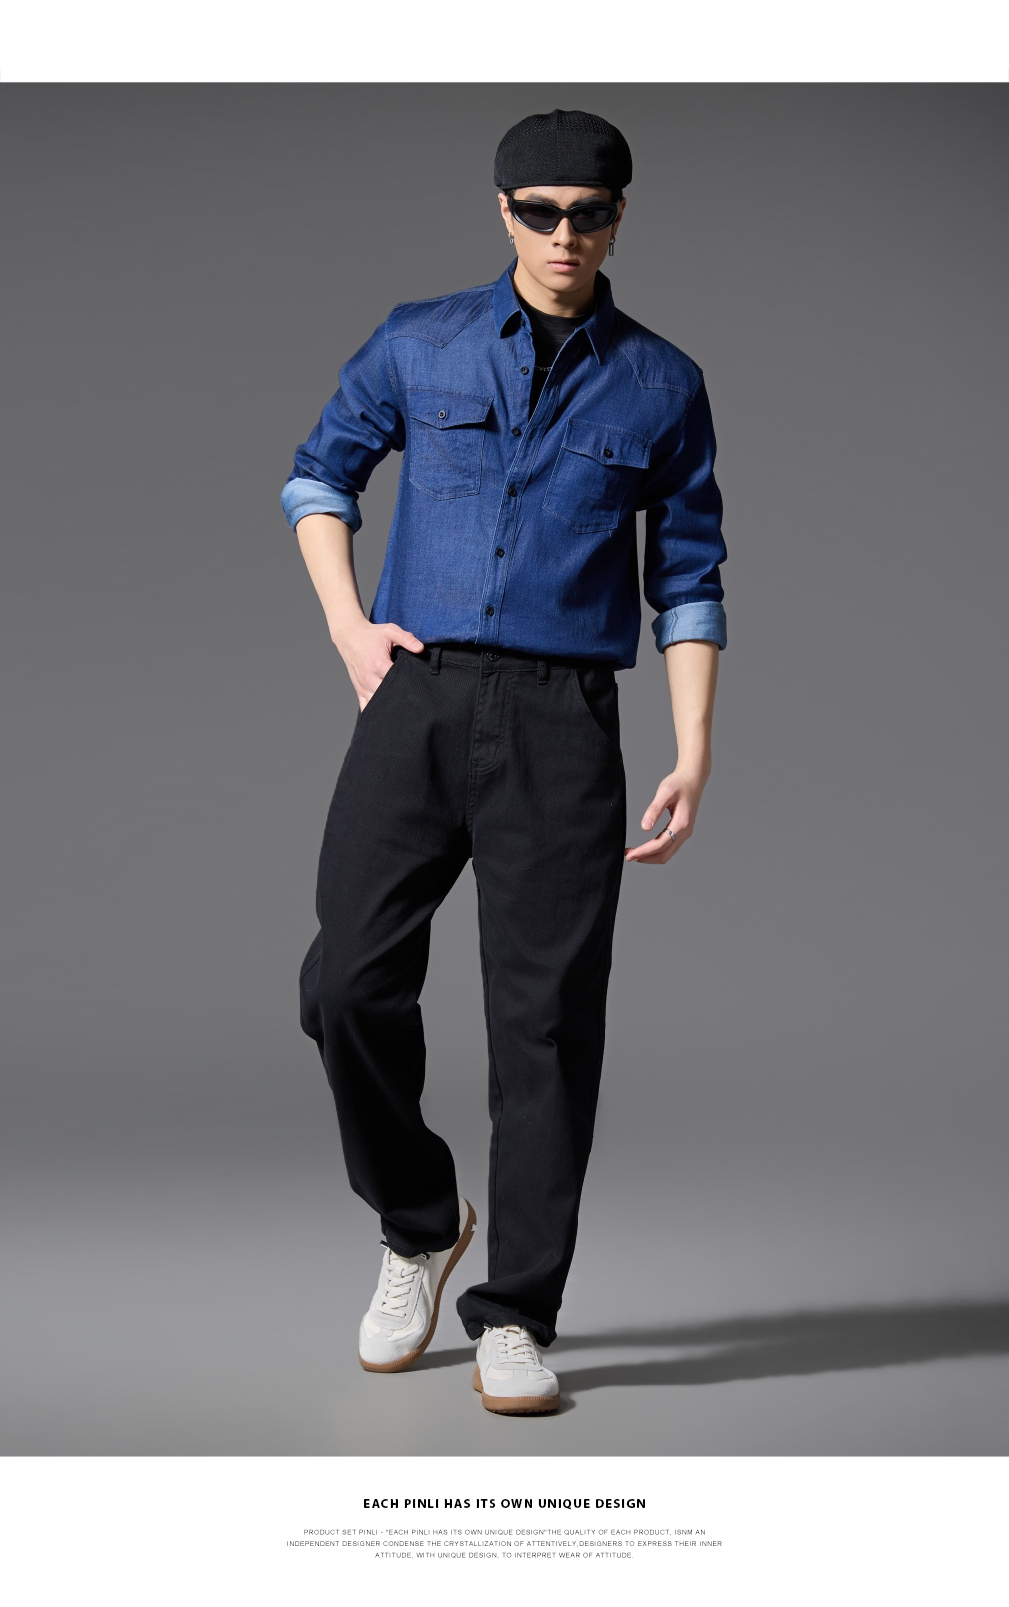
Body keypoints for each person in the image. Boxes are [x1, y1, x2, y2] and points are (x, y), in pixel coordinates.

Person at [280, 108, 726, 1416]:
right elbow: (319, 478)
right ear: (503, 211)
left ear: (619, 219)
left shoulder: (662, 384)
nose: (562, 236)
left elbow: (688, 578)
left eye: (587, 215)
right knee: (347, 984)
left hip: (562, 721)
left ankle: (517, 1311)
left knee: (545, 1027)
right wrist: (349, 627)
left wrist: (693, 747)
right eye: (539, 212)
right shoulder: (419, 341)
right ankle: (420, 1221)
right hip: (416, 699)